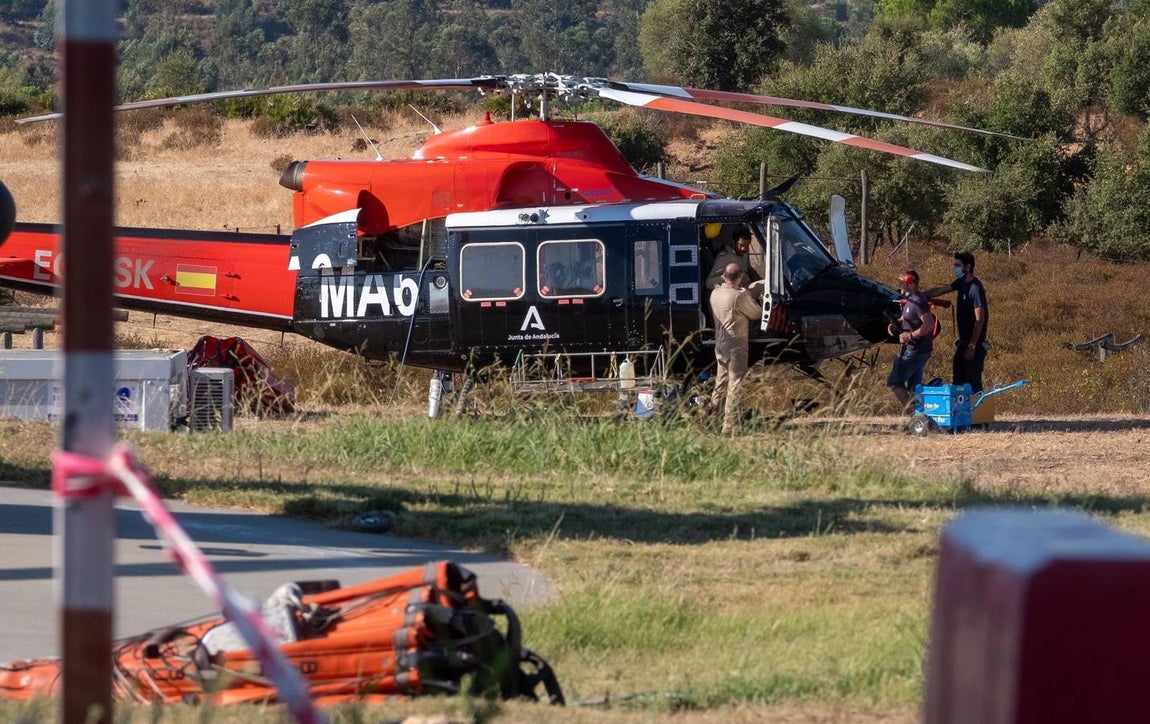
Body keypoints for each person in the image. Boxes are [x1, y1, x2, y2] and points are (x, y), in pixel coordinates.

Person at [709, 262, 762, 434]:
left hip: (720, 344)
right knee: (735, 384)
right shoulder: (739, 296)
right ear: (739, 278)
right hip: (736, 345)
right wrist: (747, 294)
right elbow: (756, 313)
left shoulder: (714, 294)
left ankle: (712, 419)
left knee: (720, 383)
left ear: (724, 276)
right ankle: (729, 426)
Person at [925, 251, 988, 393]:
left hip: (974, 343)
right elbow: (942, 290)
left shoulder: (975, 288)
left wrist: (972, 345)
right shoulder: (961, 283)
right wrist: (920, 295)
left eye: (958, 265)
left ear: (968, 266)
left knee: (973, 382)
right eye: (954, 265)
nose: (955, 268)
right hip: (963, 341)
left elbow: (980, 319)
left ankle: (976, 413)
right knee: (958, 378)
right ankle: (960, 412)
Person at [887, 270, 934, 410]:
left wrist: (910, 335)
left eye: (902, 282)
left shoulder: (918, 302)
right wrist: (897, 323)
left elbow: (929, 324)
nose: (899, 285)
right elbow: (908, 317)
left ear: (911, 283)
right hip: (917, 350)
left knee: (894, 383)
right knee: (915, 387)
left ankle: (915, 416)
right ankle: (921, 416)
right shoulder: (911, 301)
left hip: (915, 351)